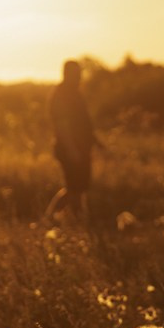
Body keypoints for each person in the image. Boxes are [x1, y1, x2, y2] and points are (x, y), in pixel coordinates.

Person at [44, 59, 99, 223]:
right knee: (74, 188)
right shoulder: (61, 95)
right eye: (77, 74)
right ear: (67, 74)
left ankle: (52, 218)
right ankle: (79, 221)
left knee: (78, 188)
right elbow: (62, 126)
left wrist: (95, 141)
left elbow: (83, 122)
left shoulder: (75, 93)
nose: (80, 77)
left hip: (81, 149)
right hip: (70, 149)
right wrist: (71, 149)